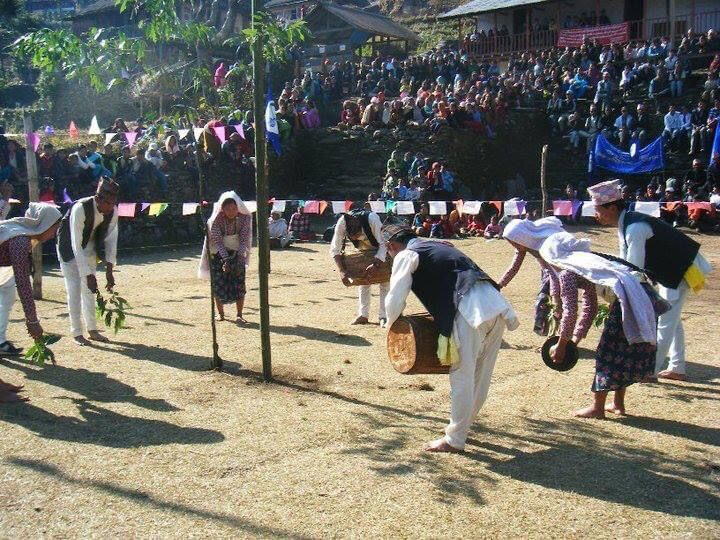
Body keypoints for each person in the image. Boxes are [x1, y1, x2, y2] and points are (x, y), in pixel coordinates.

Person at [383, 224, 518, 452]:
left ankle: (455, 440)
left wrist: (391, 323)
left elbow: (396, 296)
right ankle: (462, 428)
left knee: (462, 375)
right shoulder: (437, 245)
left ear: (390, 246)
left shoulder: (406, 254)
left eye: (388, 251)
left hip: (469, 309)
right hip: (496, 305)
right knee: (480, 375)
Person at [591, 179, 712, 382]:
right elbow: (625, 263)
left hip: (680, 270)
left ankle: (650, 371)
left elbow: (633, 269)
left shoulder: (634, 227)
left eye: (597, 210)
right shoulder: (626, 224)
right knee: (671, 319)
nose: (595, 215)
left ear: (611, 208)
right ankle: (677, 367)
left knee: (665, 321)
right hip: (672, 270)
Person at [0, 203, 62, 402]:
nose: (54, 234)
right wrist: (33, 321)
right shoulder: (19, 241)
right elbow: (23, 283)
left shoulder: (18, 233)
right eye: (55, 227)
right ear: (45, 224)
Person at [56, 178, 120, 346]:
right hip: (68, 248)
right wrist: (88, 274)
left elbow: (112, 241)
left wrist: (109, 270)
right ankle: (77, 332)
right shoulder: (80, 208)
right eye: (108, 203)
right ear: (98, 198)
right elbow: (75, 245)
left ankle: (92, 330)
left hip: (90, 247)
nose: (111, 207)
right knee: (74, 289)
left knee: (90, 291)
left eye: (114, 203)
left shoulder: (113, 210)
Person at [499, 217, 564, 336]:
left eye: (514, 241)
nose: (513, 245)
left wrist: (555, 296)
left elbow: (555, 274)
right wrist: (499, 285)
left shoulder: (546, 244)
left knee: (548, 302)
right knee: (546, 303)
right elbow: (514, 267)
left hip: (561, 272)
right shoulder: (523, 245)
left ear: (521, 237)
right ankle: (551, 337)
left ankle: (559, 338)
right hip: (548, 272)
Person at [198, 191, 253, 323]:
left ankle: (239, 314)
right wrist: (226, 260)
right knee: (218, 285)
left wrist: (239, 259)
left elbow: (244, 239)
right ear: (222, 209)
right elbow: (217, 241)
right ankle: (220, 313)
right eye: (228, 209)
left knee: (239, 285)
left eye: (234, 208)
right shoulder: (216, 221)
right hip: (218, 255)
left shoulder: (245, 219)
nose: (231, 211)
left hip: (237, 253)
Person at [329, 207, 389, 327]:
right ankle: (363, 315)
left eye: (358, 234)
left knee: (385, 282)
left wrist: (376, 264)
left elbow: (384, 243)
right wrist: (342, 271)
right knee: (363, 280)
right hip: (363, 249)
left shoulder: (372, 219)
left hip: (381, 248)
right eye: (353, 236)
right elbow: (335, 248)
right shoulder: (342, 222)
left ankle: (384, 316)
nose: (355, 237)